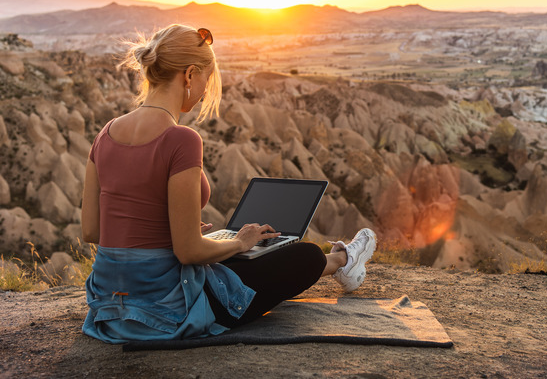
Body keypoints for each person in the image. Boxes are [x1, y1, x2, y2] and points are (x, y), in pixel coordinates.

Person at [80, 24, 377, 343]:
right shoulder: (181, 140)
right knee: (305, 257)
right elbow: (189, 252)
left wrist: (172, 234)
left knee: (241, 255)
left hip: (109, 309)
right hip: (166, 311)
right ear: (190, 75)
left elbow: (93, 232)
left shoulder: (105, 134)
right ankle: (343, 260)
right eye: (206, 80)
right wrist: (240, 242)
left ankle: (342, 261)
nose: (206, 90)